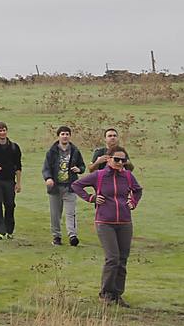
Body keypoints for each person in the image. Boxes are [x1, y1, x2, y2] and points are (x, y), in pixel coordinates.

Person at [71, 149, 143, 307]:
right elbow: (76, 185)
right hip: (104, 222)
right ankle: (105, 294)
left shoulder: (128, 176)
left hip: (124, 222)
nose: (120, 163)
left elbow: (138, 190)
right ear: (109, 159)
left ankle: (117, 295)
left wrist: (133, 202)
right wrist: (91, 198)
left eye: (123, 161)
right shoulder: (100, 175)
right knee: (112, 258)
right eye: (116, 159)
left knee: (122, 260)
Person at [42, 125, 86, 247]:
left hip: (70, 186)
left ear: (70, 136)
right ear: (58, 136)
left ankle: (73, 236)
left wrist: (79, 169)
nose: (65, 136)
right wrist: (48, 178)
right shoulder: (52, 152)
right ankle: (56, 236)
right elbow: (46, 168)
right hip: (55, 188)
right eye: (62, 134)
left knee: (70, 213)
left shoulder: (75, 151)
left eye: (67, 134)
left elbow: (82, 166)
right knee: (55, 214)